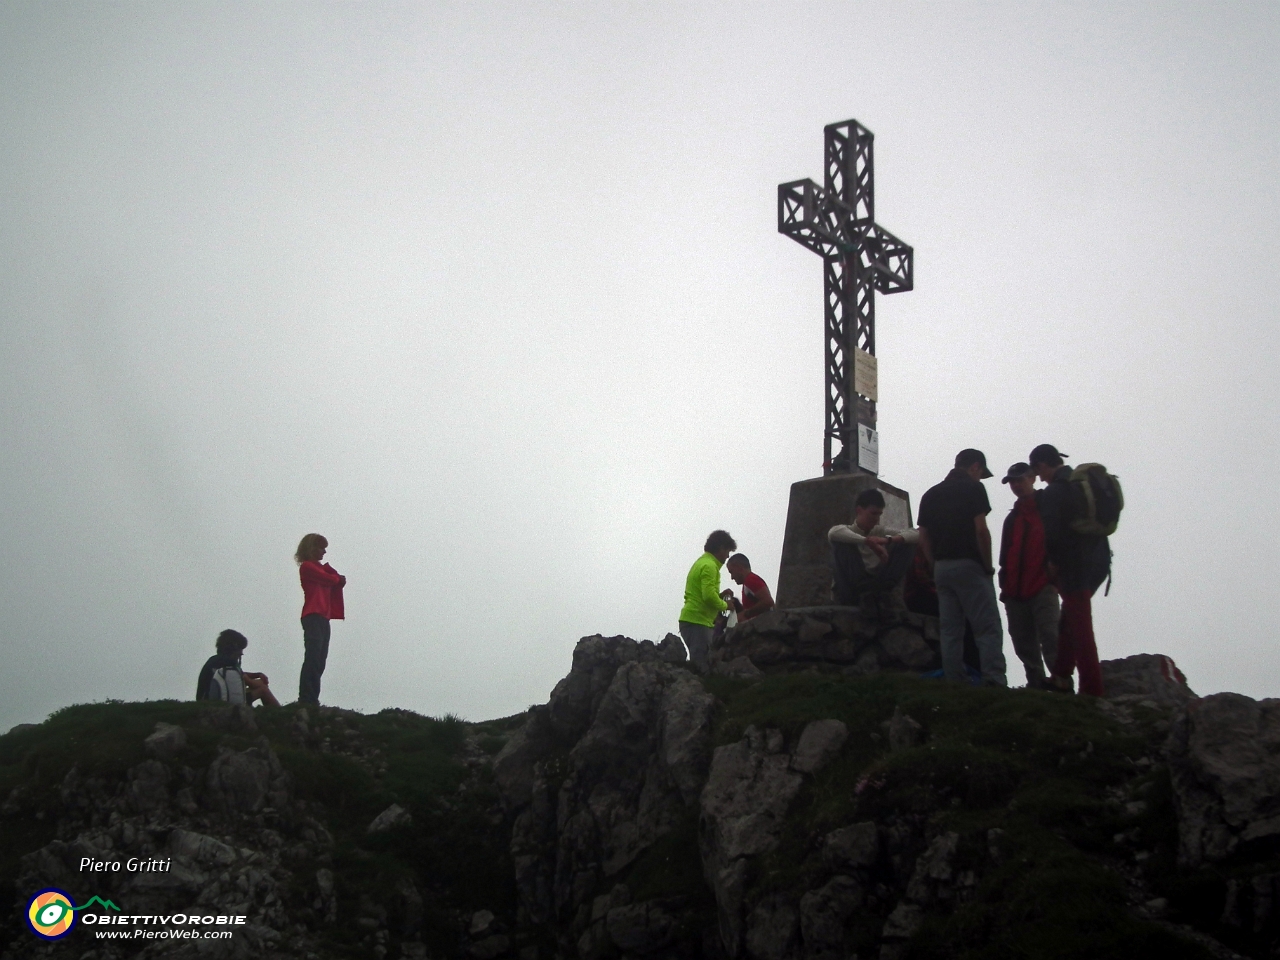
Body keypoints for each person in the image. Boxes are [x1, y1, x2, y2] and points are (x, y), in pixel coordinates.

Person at [917, 449, 1007, 686]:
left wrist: (933, 565)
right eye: (981, 473)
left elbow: (923, 536)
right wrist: (987, 565)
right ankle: (994, 680)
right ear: (975, 467)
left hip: (942, 569)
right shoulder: (973, 488)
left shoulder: (931, 494)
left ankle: (955, 680)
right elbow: (981, 530)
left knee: (950, 630)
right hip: (970, 565)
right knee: (986, 627)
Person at [1030, 444, 1111, 696]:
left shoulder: (1055, 491)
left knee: (1081, 627)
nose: (1039, 477)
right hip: (1098, 563)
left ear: (1043, 465)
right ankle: (1061, 676)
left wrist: (1052, 565)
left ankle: (1092, 688)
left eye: (1038, 470)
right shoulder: (1080, 485)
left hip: (1073, 567)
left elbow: (1052, 535)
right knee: (1071, 619)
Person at [998, 462, 1059, 687]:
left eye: (1019, 480)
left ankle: (1061, 683)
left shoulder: (1048, 509)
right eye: (1012, 482)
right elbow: (1005, 556)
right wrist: (1005, 588)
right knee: (1023, 643)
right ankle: (1037, 684)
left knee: (1050, 636)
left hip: (1043, 585)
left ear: (1032, 478)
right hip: (1015, 590)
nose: (1015, 485)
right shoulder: (1012, 519)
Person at [828, 488, 920, 611]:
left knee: (906, 542)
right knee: (841, 544)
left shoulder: (880, 532)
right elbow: (833, 533)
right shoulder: (847, 531)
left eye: (879, 514)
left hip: (877, 587)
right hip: (852, 589)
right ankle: (863, 595)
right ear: (859, 510)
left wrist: (887, 540)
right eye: (873, 513)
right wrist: (868, 542)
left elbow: (916, 534)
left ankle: (883, 594)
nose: (876, 518)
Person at [296, 533, 346, 706]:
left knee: (320, 659)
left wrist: (337, 579)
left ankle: (312, 698)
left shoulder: (317, 568)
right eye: (321, 548)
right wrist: (338, 579)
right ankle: (306, 698)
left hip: (323, 618)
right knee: (313, 657)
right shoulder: (307, 567)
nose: (324, 552)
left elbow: (331, 579)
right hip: (313, 615)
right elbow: (330, 579)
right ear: (312, 548)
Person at [678, 530, 736, 672]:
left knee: (701, 661)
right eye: (727, 551)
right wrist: (725, 605)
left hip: (693, 620)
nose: (728, 556)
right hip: (698, 622)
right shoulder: (710, 566)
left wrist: (720, 595)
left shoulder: (702, 562)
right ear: (721, 548)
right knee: (701, 666)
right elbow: (708, 596)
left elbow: (704, 594)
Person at [196, 629, 280, 707]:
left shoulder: (214, 661)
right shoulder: (230, 662)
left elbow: (240, 675)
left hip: (207, 701)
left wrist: (257, 675)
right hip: (222, 703)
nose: (241, 653)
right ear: (234, 647)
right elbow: (249, 682)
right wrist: (262, 682)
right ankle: (280, 714)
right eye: (241, 649)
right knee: (263, 690)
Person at [725, 554, 775, 622]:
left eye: (731, 572)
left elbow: (768, 602)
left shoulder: (750, 580)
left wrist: (745, 614)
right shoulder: (747, 583)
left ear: (739, 567)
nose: (732, 577)